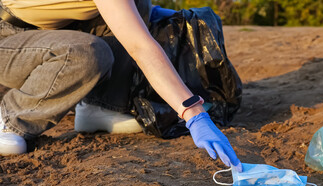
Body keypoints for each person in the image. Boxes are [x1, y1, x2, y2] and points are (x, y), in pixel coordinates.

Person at [0, 0, 242, 172]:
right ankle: (12, 116)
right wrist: (193, 112)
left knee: (137, 5)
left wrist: (152, 14)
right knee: (85, 55)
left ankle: (99, 105)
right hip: (8, 35)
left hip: (47, 27)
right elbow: (140, 47)